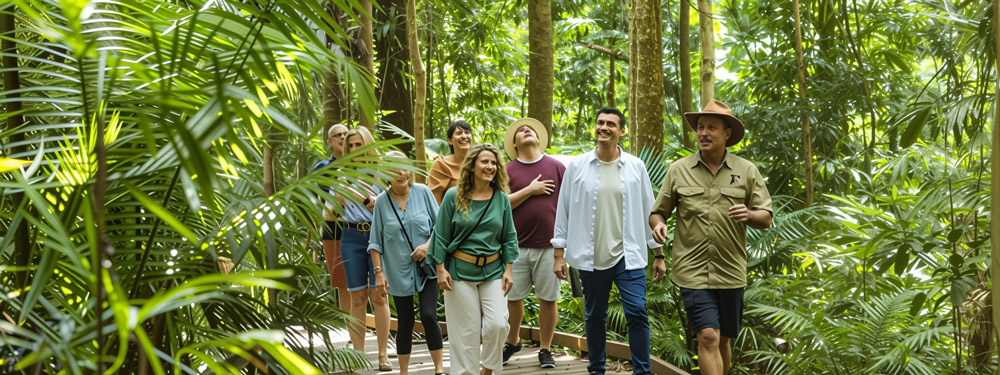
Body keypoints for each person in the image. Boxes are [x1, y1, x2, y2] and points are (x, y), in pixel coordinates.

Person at [649, 100, 772, 375]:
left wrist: (749, 215)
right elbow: (658, 213)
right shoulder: (678, 170)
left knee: (725, 338)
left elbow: (766, 217)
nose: (703, 133)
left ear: (727, 134)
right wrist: (658, 226)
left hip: (731, 270)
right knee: (708, 336)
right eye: (700, 127)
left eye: (712, 128)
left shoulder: (746, 170)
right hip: (691, 270)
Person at [551, 107, 666, 375]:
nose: (603, 127)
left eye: (610, 124)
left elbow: (650, 210)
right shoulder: (578, 166)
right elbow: (563, 209)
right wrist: (558, 254)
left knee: (637, 311)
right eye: (600, 122)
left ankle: (642, 372)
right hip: (590, 256)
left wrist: (658, 254)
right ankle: (597, 369)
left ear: (621, 131)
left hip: (628, 254)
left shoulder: (636, 166)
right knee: (595, 315)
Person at [427, 143, 519, 375]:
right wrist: (440, 268)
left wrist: (509, 270)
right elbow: (441, 234)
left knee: (498, 325)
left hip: (493, 271)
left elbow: (509, 237)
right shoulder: (452, 196)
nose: (490, 167)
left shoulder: (501, 199)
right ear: (472, 166)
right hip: (459, 272)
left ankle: (487, 369)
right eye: (485, 162)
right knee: (465, 334)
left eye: (494, 163)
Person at [368, 150, 446, 375]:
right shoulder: (382, 202)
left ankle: (439, 369)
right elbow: (375, 242)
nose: (400, 173)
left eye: (403, 167)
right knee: (405, 320)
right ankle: (404, 371)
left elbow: (440, 226)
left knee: (429, 314)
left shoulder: (423, 192)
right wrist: (379, 274)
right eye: (393, 168)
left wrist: (427, 246)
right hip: (398, 271)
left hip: (428, 268)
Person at [500, 118, 564, 368]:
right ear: (515, 144)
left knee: (548, 299)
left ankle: (545, 349)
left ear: (539, 139)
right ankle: (513, 340)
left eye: (530, 130)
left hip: (549, 247)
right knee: (513, 298)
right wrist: (530, 189)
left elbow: (567, 206)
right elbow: (500, 204)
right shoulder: (506, 170)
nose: (526, 131)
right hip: (515, 247)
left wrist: (562, 250)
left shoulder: (556, 166)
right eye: (519, 131)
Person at [337, 126, 392, 371]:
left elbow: (387, 205)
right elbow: (334, 207)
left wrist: (364, 198)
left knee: (379, 295)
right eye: (351, 145)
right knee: (356, 297)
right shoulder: (342, 173)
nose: (355, 149)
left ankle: (383, 355)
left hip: (376, 236)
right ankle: (358, 356)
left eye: (359, 144)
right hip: (350, 235)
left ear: (368, 144)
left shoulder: (380, 173)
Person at [311, 124, 352, 318]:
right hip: (333, 228)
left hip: (360, 226)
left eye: (345, 134)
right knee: (341, 282)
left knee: (364, 282)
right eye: (337, 135)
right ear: (329, 142)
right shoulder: (322, 168)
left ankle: (363, 324)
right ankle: (349, 327)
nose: (342, 137)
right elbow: (310, 198)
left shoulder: (360, 164)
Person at [428, 120, 473, 204]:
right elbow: (434, 202)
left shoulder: (479, 163)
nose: (464, 136)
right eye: (459, 133)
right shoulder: (441, 164)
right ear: (450, 140)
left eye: (467, 132)